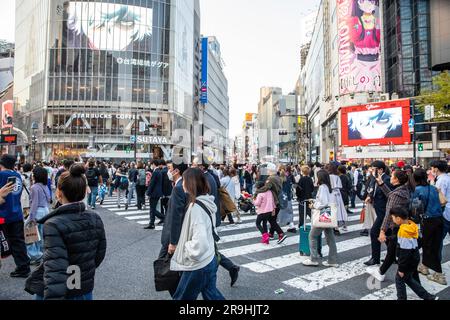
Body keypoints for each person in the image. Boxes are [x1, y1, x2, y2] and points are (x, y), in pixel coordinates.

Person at [24, 164, 107, 300]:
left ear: (59, 192)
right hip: (84, 286)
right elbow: (99, 253)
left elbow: (55, 266)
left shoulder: (53, 224)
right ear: (84, 191)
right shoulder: (95, 218)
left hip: (59, 289)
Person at [170, 168, 225, 301]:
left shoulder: (196, 207)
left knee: (182, 298)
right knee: (212, 295)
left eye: (184, 180)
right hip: (209, 258)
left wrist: (185, 248)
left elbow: (199, 244)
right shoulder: (206, 201)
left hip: (198, 265)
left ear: (190, 183)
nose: (182, 183)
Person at [367, 169, 411, 282]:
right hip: (400, 225)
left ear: (396, 179)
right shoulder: (402, 190)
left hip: (395, 226)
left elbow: (388, 213)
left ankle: (383, 273)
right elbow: (391, 195)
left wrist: (382, 230)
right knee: (392, 252)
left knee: (392, 252)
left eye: (392, 176)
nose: (390, 177)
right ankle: (381, 272)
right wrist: (381, 184)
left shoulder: (398, 193)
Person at [389, 206, 438, 301]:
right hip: (414, 257)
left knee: (399, 279)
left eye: (393, 218)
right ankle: (429, 297)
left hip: (407, 260)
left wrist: (401, 268)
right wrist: (391, 238)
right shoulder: (411, 225)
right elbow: (418, 242)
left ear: (398, 218)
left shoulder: (403, 231)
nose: (393, 220)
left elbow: (404, 252)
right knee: (409, 279)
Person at [413, 168, 446, 285]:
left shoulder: (418, 189)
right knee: (434, 245)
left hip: (428, 221)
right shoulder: (433, 188)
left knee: (428, 246)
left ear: (415, 178)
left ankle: (439, 274)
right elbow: (442, 202)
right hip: (439, 219)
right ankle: (424, 266)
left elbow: (415, 207)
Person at [0, 154, 30, 278]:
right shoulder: (18, 175)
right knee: (18, 242)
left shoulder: (1, 175)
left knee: (4, 242)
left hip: (2, 215)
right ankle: (24, 267)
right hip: (16, 213)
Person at [303, 170, 339, 267]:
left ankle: (313, 259)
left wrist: (314, 205)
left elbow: (323, 203)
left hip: (323, 214)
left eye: (317, 176)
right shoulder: (329, 187)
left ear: (320, 178)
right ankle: (332, 260)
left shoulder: (322, 187)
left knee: (312, 236)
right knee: (330, 238)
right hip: (329, 214)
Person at [364, 161, 392, 267]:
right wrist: (370, 197)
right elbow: (373, 190)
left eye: (374, 168)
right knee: (388, 235)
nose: (371, 170)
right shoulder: (375, 179)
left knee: (374, 233)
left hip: (384, 212)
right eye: (371, 168)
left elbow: (389, 195)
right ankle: (394, 254)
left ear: (380, 170)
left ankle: (375, 258)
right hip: (380, 211)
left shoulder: (386, 180)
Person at [255, 163, 287, 244]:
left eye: (268, 170)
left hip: (274, 201)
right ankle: (271, 233)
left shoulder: (271, 178)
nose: (267, 171)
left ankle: (281, 234)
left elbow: (266, 188)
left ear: (270, 170)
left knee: (271, 220)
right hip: (277, 201)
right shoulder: (278, 177)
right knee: (272, 219)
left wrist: (257, 192)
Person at [26, 166, 51, 265]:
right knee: (40, 234)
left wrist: (31, 218)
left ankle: (35, 255)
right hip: (45, 210)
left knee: (31, 233)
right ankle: (41, 253)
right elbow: (49, 199)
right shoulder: (44, 186)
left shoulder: (34, 187)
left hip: (37, 212)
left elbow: (34, 203)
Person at [431, 160, 450, 266]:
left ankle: (436, 267)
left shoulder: (441, 180)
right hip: (448, 211)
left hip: (444, 213)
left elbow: (440, 200)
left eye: (432, 168)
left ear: (436, 169)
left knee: (437, 241)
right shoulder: (447, 178)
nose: (431, 170)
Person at [326, 163, 348, 234]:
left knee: (330, 209)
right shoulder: (337, 177)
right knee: (338, 210)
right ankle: (336, 227)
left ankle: (331, 225)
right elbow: (340, 186)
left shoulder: (328, 176)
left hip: (330, 193)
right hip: (337, 194)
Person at [145, 160, 165, 229]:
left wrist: (148, 193)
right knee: (152, 209)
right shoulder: (159, 171)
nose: (151, 166)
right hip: (158, 192)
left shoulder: (155, 172)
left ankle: (163, 218)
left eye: (151, 164)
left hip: (154, 193)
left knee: (152, 209)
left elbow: (152, 184)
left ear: (153, 164)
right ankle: (152, 223)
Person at [278, 165, 296, 233]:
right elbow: (290, 188)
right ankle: (291, 225)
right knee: (289, 212)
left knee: (279, 212)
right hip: (287, 197)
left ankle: (277, 227)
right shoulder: (288, 178)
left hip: (280, 198)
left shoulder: (278, 178)